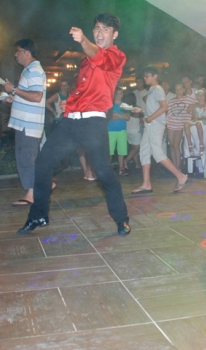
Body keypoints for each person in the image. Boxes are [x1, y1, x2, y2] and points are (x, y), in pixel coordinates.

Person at [17, 13, 130, 235]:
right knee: (43, 163)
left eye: (105, 29)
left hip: (94, 123)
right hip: (71, 122)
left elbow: (98, 56)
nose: (100, 33)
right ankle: (38, 215)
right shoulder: (84, 61)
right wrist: (69, 103)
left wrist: (83, 40)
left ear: (114, 34)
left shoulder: (116, 56)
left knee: (104, 172)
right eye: (97, 28)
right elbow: (83, 87)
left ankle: (121, 219)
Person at [132, 66, 189, 194]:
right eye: (144, 75)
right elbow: (153, 109)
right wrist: (141, 111)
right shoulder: (152, 90)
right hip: (150, 124)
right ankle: (146, 183)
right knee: (144, 151)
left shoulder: (157, 89)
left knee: (157, 152)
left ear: (155, 76)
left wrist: (150, 118)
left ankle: (180, 176)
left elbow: (164, 107)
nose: (145, 78)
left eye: (147, 75)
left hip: (155, 124)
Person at [3, 39, 46, 207]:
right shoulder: (29, 70)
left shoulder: (34, 70)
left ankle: (31, 194)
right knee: (28, 157)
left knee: (27, 158)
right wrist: (14, 97)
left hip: (28, 124)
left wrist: (14, 89)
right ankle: (45, 184)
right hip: (26, 123)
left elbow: (36, 96)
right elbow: (29, 95)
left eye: (18, 51)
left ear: (26, 53)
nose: (15, 54)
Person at [166, 83, 197, 170]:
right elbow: (168, 113)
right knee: (172, 145)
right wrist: (166, 124)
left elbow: (198, 103)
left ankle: (178, 166)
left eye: (180, 89)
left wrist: (192, 107)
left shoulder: (188, 99)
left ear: (183, 90)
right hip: (171, 124)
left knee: (176, 145)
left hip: (180, 125)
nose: (178, 91)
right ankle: (174, 166)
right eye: (176, 89)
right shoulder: (171, 101)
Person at [184, 88, 206, 156]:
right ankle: (190, 144)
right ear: (196, 96)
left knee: (198, 124)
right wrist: (194, 119)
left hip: (205, 120)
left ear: (205, 96)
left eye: (202, 95)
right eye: (199, 95)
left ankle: (201, 144)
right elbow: (193, 117)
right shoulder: (194, 105)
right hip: (197, 120)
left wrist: (199, 118)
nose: (200, 97)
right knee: (186, 124)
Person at [108, 87, 130, 175]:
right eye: (117, 93)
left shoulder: (125, 106)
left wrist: (117, 115)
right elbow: (108, 117)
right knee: (109, 152)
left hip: (122, 131)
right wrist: (121, 115)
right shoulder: (110, 105)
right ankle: (107, 169)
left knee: (122, 151)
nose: (118, 95)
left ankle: (121, 168)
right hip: (110, 131)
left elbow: (127, 117)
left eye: (120, 93)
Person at [122, 91, 143, 171]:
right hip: (135, 130)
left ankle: (137, 164)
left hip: (128, 130)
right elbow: (141, 119)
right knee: (136, 148)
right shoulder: (136, 108)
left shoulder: (125, 109)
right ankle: (126, 160)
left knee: (133, 148)